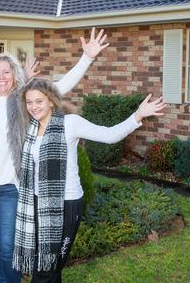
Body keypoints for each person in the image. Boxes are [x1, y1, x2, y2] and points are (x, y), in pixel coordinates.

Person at [0, 28, 109, 283]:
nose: (1, 77)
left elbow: (59, 87)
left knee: (9, 248)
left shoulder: (22, 100)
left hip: (11, 186)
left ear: (14, 74)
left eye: (6, 71)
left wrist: (87, 58)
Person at [12, 78, 167, 282]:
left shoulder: (70, 123)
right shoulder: (30, 130)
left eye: (39, 101)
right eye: (29, 102)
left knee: (45, 269)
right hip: (37, 203)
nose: (33, 107)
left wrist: (137, 115)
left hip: (67, 204)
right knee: (49, 268)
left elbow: (109, 135)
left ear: (51, 101)